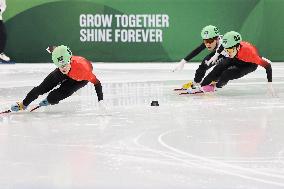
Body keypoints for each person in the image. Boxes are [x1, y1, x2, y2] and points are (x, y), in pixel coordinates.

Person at [10, 45, 104, 111]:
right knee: (40, 89)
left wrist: (100, 100)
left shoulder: (84, 70)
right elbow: (53, 48)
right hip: (68, 72)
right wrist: (24, 103)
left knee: (52, 98)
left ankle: (49, 100)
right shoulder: (61, 64)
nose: (63, 68)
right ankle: (23, 105)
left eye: (64, 65)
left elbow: (97, 83)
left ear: (70, 61)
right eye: (59, 65)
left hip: (79, 80)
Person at [188, 31, 275, 95]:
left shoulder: (250, 54)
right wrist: (216, 55)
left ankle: (215, 86)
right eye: (227, 50)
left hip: (248, 64)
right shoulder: (229, 46)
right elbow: (222, 46)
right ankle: (203, 85)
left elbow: (268, 66)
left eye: (229, 50)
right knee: (219, 67)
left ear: (237, 47)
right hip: (235, 57)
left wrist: (269, 83)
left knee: (227, 74)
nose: (227, 52)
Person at [172, 25, 228, 89]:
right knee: (203, 66)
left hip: (230, 57)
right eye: (205, 41)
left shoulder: (225, 44)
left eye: (210, 41)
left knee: (220, 70)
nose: (208, 44)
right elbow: (198, 50)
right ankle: (196, 83)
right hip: (218, 54)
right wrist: (183, 61)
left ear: (217, 39)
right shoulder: (210, 41)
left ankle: (214, 84)